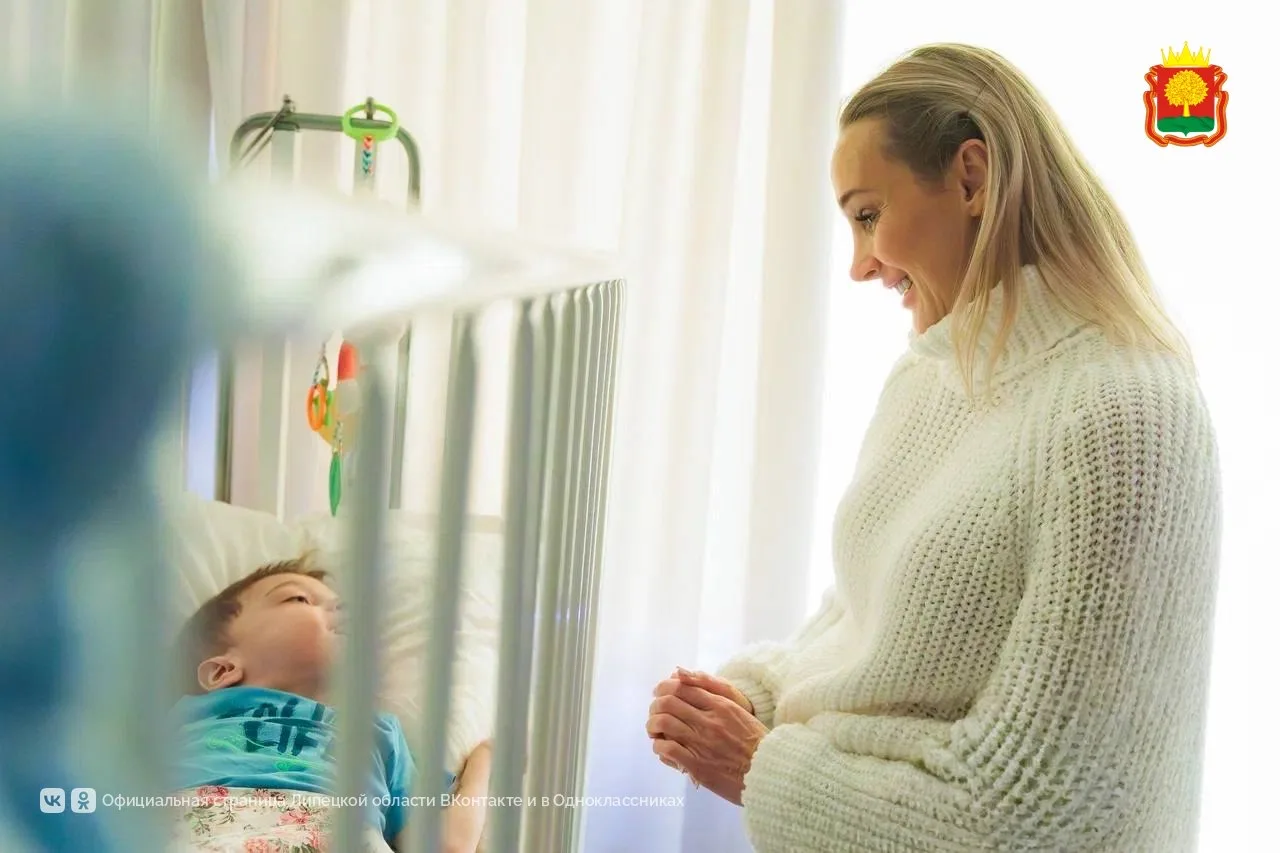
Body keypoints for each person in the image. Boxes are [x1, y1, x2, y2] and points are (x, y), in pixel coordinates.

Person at [646, 43, 1221, 852]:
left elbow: (1046, 819)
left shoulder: (1128, 416)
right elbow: (862, 622)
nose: (859, 265)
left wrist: (757, 765)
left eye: (867, 215)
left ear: (972, 179)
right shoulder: (927, 378)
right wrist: (752, 697)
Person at [170, 557, 491, 853]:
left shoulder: (379, 734)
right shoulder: (185, 720)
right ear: (223, 671)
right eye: (298, 599)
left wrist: (485, 760)